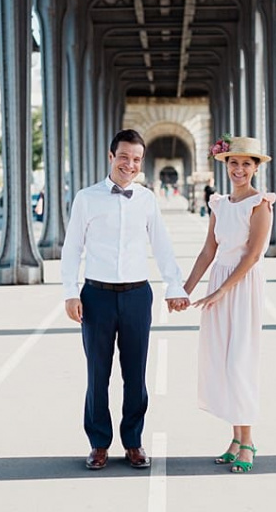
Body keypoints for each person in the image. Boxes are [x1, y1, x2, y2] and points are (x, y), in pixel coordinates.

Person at [61, 129, 190, 471]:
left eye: (136, 159)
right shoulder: (86, 198)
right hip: (96, 297)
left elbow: (161, 245)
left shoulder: (147, 199)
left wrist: (175, 286)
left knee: (135, 376)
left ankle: (133, 442)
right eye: (124, 157)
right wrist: (70, 292)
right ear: (110, 156)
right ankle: (98, 444)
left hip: (136, 296)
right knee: (97, 375)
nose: (129, 165)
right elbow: (72, 247)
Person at [181, 136, 274, 474]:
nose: (239, 169)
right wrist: (185, 289)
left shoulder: (260, 203)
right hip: (218, 279)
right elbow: (209, 251)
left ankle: (248, 440)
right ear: (225, 165)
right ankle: (235, 439)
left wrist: (221, 291)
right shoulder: (218, 203)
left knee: (240, 361)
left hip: (243, 285)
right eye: (234, 162)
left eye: (246, 164)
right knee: (221, 359)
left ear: (255, 168)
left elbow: (252, 256)